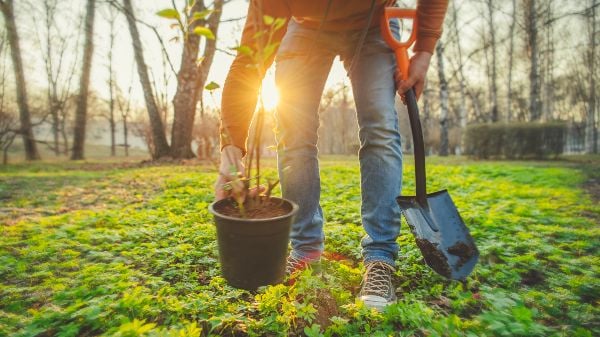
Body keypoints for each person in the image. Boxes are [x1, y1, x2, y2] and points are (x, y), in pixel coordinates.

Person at [215, 0, 448, 311]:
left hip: (375, 19)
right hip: (305, 25)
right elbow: (248, 63)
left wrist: (424, 50)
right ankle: (306, 251)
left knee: (379, 124)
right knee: (293, 130)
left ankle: (380, 257)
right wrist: (231, 151)